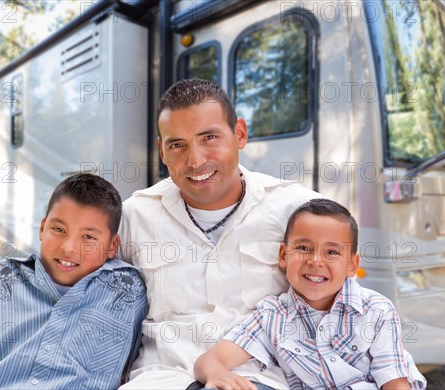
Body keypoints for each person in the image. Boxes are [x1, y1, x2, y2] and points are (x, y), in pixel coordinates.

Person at [119, 78, 320, 389]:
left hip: (258, 379)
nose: (195, 161)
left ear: (239, 133)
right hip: (162, 379)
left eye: (209, 137)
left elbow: (349, 306)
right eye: (177, 145)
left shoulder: (297, 210)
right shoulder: (135, 215)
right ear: (161, 150)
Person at [0, 174, 147, 389]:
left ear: (112, 246)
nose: (69, 247)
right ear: (42, 228)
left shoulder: (127, 291)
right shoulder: (5, 276)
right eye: (58, 230)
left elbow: (132, 372)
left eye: (89, 237)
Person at [194, 198, 427, 390]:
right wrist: (216, 373)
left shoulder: (376, 310)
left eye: (332, 252)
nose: (315, 261)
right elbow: (211, 360)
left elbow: (396, 384)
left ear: (351, 265)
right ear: (284, 255)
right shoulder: (271, 317)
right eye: (304, 248)